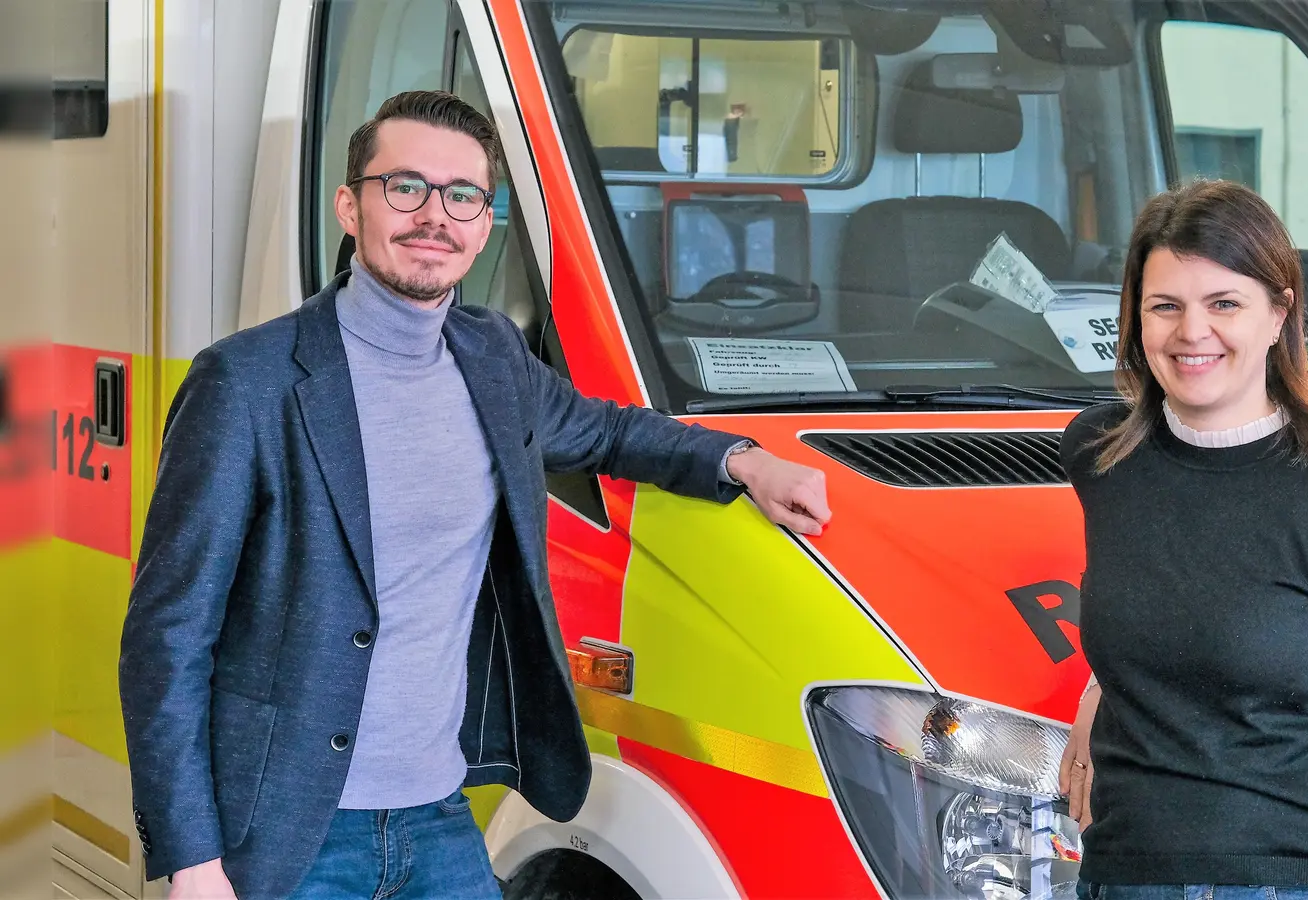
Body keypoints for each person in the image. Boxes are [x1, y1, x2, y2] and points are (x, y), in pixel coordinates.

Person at [118, 90, 832, 900]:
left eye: (463, 195)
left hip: (438, 813)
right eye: (406, 187)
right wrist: (193, 860)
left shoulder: (489, 353)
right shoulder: (245, 381)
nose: (435, 215)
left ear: (485, 224)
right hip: (288, 828)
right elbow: (167, 640)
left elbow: (603, 432)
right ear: (351, 206)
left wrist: (744, 462)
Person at [1055, 179, 1308, 900]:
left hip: (1288, 882)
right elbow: (1180, 604)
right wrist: (1102, 685)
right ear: (1135, 319)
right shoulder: (1100, 456)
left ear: (1279, 313)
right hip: (1119, 877)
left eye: (1224, 304)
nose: (1191, 333)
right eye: (1164, 306)